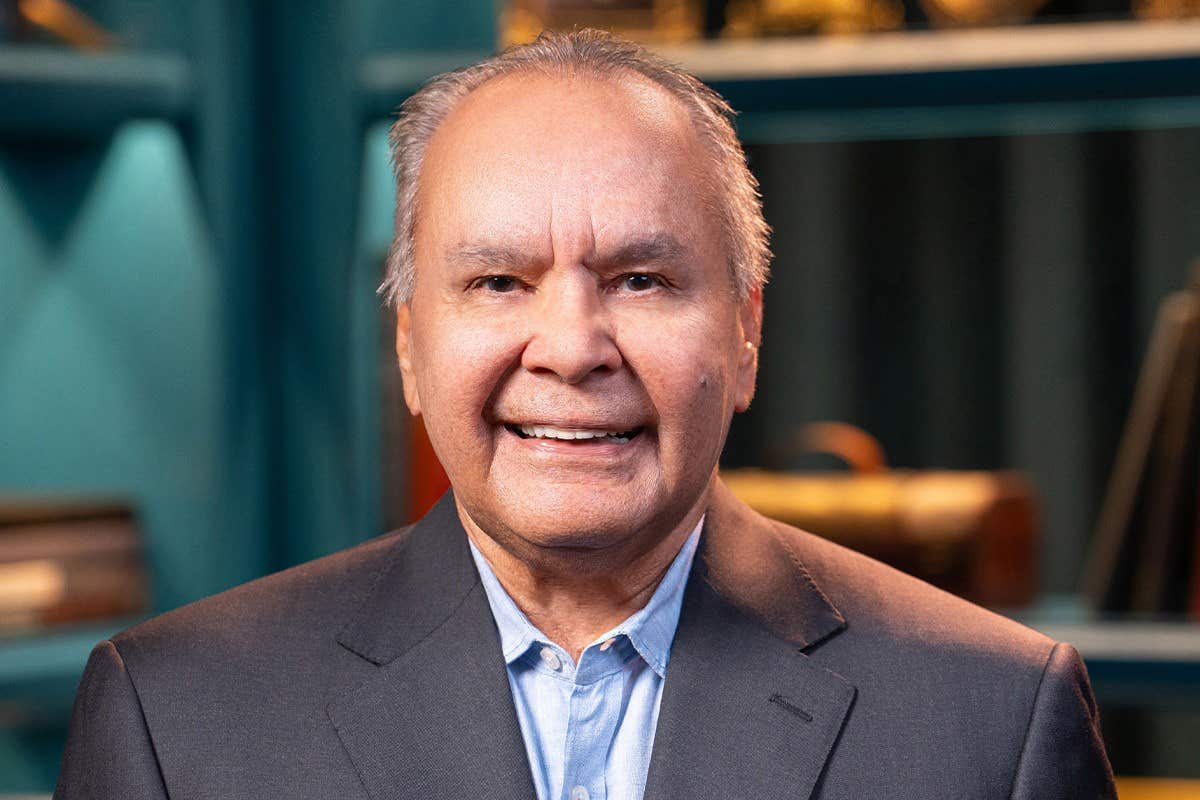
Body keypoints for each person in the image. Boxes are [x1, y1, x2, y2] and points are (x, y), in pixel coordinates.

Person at [55, 29, 1115, 800]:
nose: (570, 347)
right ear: (410, 342)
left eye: (643, 278)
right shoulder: (174, 721)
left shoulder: (993, 723)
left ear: (746, 333)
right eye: (499, 282)